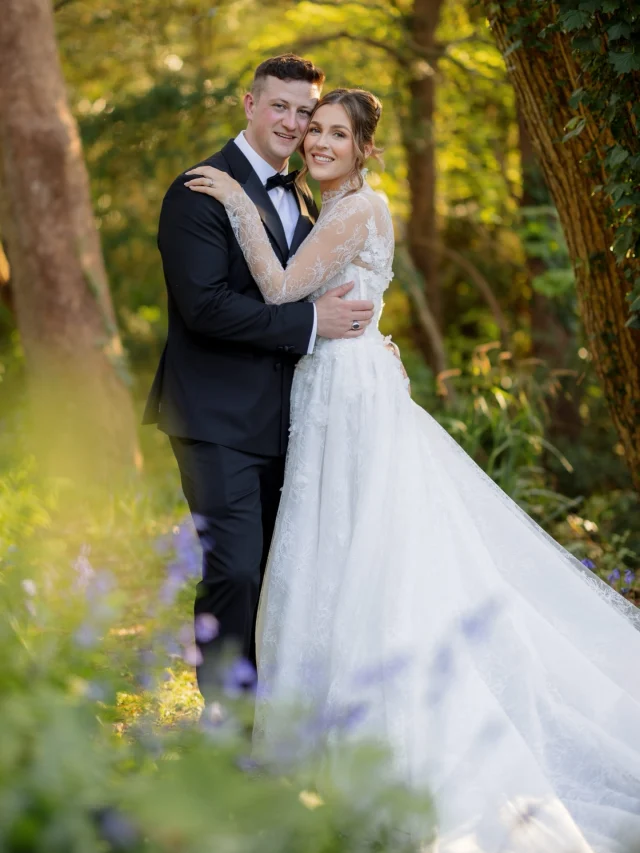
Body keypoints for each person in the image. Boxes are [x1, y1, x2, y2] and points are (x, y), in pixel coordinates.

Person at [185, 87, 640, 852]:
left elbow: (277, 287)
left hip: (350, 390)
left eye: (337, 133)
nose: (319, 142)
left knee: (367, 554)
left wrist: (231, 193)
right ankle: (316, 742)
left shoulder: (360, 207)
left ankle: (387, 747)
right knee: (331, 546)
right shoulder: (327, 206)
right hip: (334, 379)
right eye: (314, 130)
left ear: (366, 148)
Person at [143, 55, 376, 702]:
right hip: (215, 419)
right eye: (281, 106)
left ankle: (274, 733)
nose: (293, 122)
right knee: (236, 573)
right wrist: (310, 324)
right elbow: (206, 305)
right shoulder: (199, 190)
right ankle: (223, 737)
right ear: (249, 104)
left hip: (295, 423)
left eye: (306, 112)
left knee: (286, 579)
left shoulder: (305, 192)